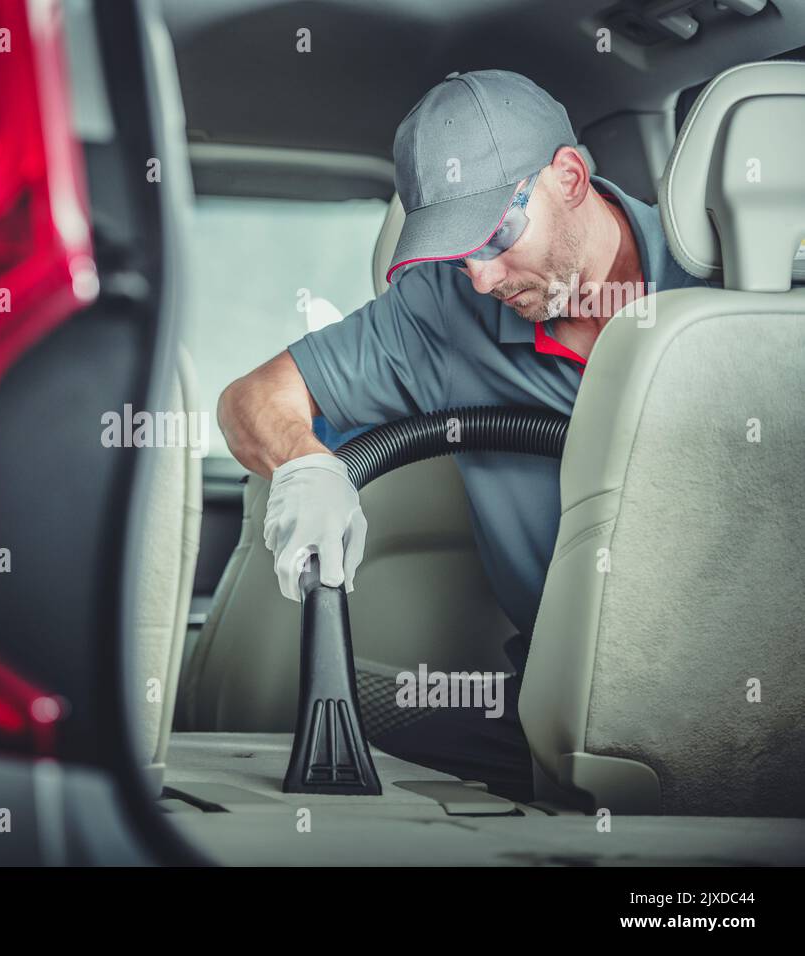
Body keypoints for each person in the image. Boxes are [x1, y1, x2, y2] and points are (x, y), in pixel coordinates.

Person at [216, 69, 708, 802]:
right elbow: (252, 399)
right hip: (573, 707)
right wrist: (308, 466)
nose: (481, 277)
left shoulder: (740, 278)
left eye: (498, 235)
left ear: (569, 176)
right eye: (456, 250)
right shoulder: (444, 314)